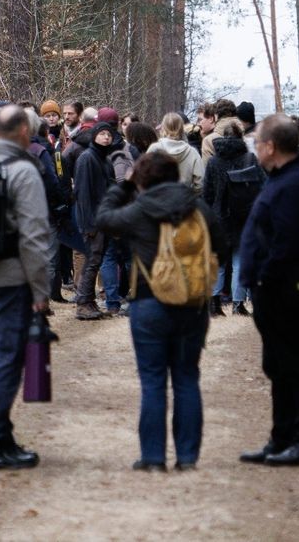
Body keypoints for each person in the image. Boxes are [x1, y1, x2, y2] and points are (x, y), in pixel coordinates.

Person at [95, 149, 216, 471]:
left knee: (152, 381)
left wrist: (123, 185)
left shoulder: (139, 210)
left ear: (143, 179)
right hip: (193, 303)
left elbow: (104, 219)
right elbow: (221, 241)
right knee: (187, 378)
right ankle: (188, 458)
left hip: (150, 302)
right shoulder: (198, 208)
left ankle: (153, 458)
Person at [0, 104, 56, 471]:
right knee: (7, 359)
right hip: (12, 279)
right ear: (22, 132)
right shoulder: (23, 171)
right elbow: (35, 237)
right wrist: (40, 290)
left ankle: (2, 436)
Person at [237, 115, 299, 468]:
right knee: (277, 363)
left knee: (294, 363)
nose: (255, 147)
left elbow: (287, 243)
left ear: (271, 147)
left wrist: (264, 279)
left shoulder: (297, 183)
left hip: (284, 287)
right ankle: (282, 437)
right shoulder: (282, 177)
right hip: (273, 287)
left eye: (257, 142)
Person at [72, 109, 127, 319]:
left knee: (96, 259)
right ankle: (83, 303)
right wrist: (89, 224)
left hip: (103, 218)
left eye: (109, 135)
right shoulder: (88, 158)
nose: (106, 137)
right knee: (93, 260)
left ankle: (88, 300)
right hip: (92, 220)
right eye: (102, 134)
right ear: (94, 135)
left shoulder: (103, 159)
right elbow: (83, 193)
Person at [202, 118, 258, 316]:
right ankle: (238, 303)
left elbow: (206, 193)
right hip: (243, 216)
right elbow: (258, 189)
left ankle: (214, 304)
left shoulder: (213, 162)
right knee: (239, 261)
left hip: (218, 217)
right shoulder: (249, 159)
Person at [22, 108, 77, 302]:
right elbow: (54, 181)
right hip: (43, 209)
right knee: (50, 254)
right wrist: (61, 203)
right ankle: (48, 295)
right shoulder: (43, 151)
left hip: (20, 211)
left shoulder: (11, 149)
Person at [151, 113, 204, 188]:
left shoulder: (154, 149)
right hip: (184, 197)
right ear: (182, 128)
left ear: (163, 128)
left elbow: (144, 175)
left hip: (157, 197)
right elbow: (200, 182)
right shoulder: (192, 152)